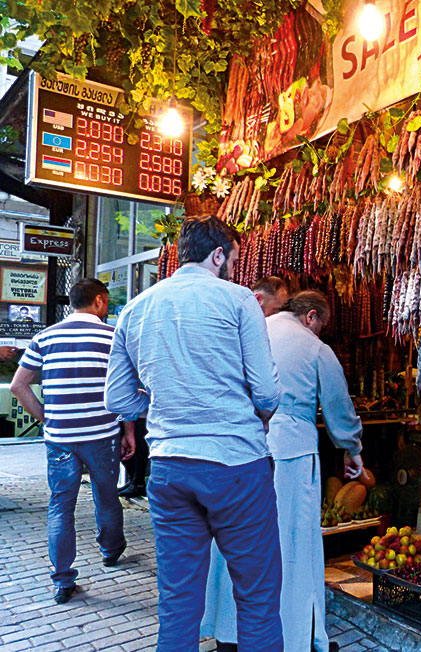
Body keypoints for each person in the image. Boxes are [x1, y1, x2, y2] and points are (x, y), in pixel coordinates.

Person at [104, 216, 283, 652]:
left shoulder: (136, 307)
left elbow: (117, 398)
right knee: (257, 598)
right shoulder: (239, 300)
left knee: (179, 600)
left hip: (169, 467)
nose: (235, 269)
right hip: (236, 465)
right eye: (234, 259)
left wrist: (167, 408)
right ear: (217, 255)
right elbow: (266, 392)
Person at [202, 290, 362, 652]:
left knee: (236, 542)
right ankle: (291, 636)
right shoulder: (314, 346)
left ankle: (230, 632)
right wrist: (352, 449)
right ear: (311, 317)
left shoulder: (254, 328)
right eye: (321, 325)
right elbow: (338, 406)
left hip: (238, 446)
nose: (320, 333)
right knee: (291, 544)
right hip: (291, 453)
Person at [10, 278, 135, 604]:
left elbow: (18, 386)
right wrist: (129, 431)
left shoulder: (44, 337)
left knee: (60, 507)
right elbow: (125, 390)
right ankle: (110, 550)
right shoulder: (113, 338)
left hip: (60, 439)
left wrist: (47, 419)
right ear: (98, 301)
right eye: (106, 303)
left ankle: (63, 580)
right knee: (106, 497)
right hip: (102, 436)